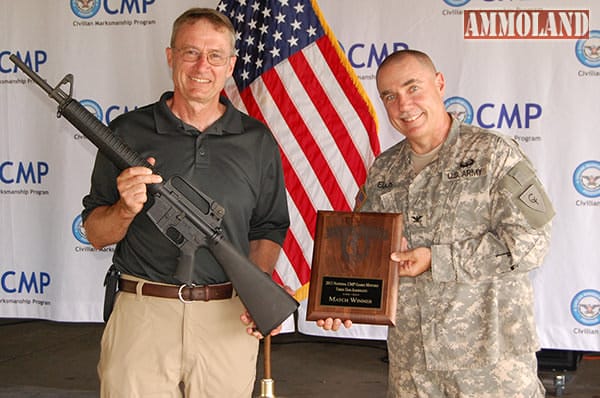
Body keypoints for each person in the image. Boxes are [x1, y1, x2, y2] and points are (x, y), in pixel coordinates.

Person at [317, 49, 555, 397]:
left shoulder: (495, 154)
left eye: (413, 88)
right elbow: (364, 253)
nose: (403, 104)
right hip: (413, 365)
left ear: (439, 83)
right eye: (390, 96)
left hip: (490, 364)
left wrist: (437, 259)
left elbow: (531, 243)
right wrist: (340, 302)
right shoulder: (384, 170)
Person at [81, 8, 290, 397]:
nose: (201, 67)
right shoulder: (127, 133)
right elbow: (95, 233)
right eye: (190, 52)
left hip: (226, 315)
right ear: (170, 56)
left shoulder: (256, 140)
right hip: (142, 313)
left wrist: (255, 291)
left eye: (215, 56)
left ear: (230, 65)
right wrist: (125, 208)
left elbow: (268, 226)